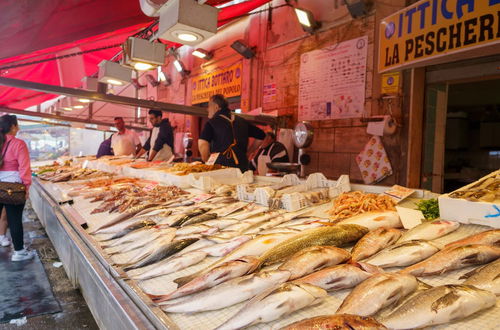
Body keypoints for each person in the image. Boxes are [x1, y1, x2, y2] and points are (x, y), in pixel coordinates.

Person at [198, 94, 265, 172]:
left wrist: (206, 160)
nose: (207, 109)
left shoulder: (212, 122)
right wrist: (248, 152)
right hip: (242, 168)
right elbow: (261, 135)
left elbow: (203, 143)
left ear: (216, 107)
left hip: (221, 169)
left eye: (209, 106)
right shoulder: (242, 121)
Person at [0, 114, 34, 261]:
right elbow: (24, 168)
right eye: (17, 125)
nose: (18, 127)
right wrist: (26, 186)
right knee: (14, 220)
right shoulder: (18, 143)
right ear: (13, 127)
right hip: (13, 187)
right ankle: (19, 252)